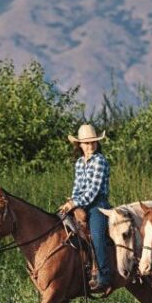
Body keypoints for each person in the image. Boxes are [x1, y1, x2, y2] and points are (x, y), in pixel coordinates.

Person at [58, 124, 112, 293]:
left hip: (98, 204)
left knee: (96, 235)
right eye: (86, 143)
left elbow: (94, 191)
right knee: (61, 226)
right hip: (80, 203)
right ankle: (76, 272)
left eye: (93, 143)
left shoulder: (100, 161)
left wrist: (75, 203)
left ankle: (104, 276)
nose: (90, 146)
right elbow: (77, 188)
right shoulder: (80, 163)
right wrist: (71, 202)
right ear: (80, 145)